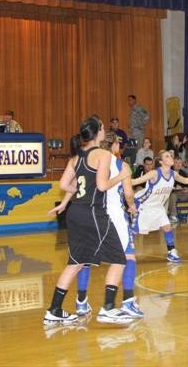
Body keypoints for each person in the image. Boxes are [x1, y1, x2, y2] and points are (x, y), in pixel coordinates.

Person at [43, 117, 134, 326]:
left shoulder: (76, 158)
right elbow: (102, 186)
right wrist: (121, 175)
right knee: (119, 259)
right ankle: (108, 308)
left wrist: (74, 197)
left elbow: (64, 184)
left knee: (75, 264)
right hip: (94, 213)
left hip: (76, 212)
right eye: (102, 126)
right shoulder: (102, 154)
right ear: (98, 132)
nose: (104, 129)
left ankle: (54, 310)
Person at [131, 150, 188, 262]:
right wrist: (119, 180)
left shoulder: (173, 174)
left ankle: (171, 252)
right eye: (167, 156)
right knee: (134, 231)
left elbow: (186, 180)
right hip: (144, 205)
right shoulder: (154, 173)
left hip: (158, 206)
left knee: (167, 227)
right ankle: (125, 251)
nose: (171, 157)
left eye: (171, 156)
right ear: (161, 162)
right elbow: (134, 182)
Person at [168, 155, 188, 224]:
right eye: (176, 163)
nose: (178, 164)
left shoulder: (182, 173)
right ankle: (173, 216)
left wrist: (187, 188)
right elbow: (166, 185)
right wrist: (175, 187)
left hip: (182, 193)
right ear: (173, 163)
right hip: (172, 192)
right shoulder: (169, 172)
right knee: (172, 195)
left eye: (180, 163)